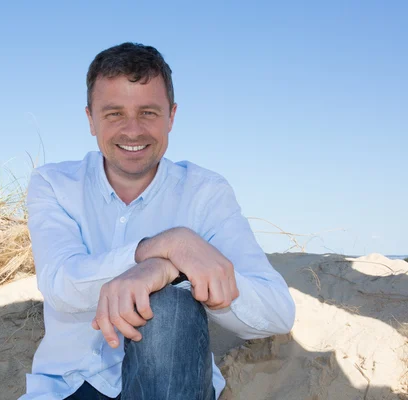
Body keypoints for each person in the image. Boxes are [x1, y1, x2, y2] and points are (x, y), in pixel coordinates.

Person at [20, 42, 295, 400]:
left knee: (168, 305)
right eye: (114, 113)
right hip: (69, 384)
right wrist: (163, 248)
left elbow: (277, 314)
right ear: (90, 119)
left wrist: (171, 272)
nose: (132, 131)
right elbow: (60, 284)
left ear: (172, 116)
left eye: (148, 112)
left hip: (172, 380)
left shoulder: (205, 192)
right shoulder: (54, 184)